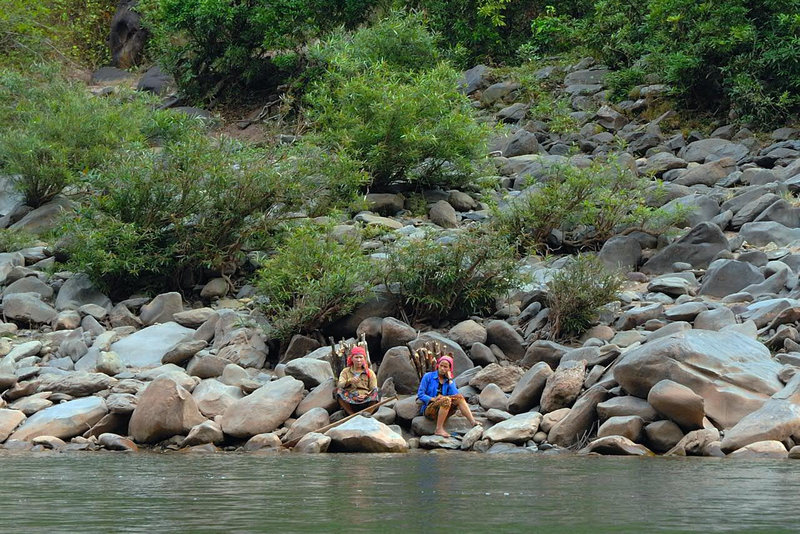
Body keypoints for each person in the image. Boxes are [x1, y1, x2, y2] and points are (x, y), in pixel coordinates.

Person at [417, 355, 481, 437]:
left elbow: (456, 395)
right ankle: (438, 429)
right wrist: (433, 399)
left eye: (445, 367)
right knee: (446, 400)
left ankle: (472, 422)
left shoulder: (449, 381)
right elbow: (420, 394)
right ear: (438, 365)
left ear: (449, 369)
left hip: (445, 408)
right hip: (430, 409)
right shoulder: (428, 376)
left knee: (459, 397)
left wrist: (450, 380)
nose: (442, 368)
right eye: (441, 366)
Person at [336, 346, 379, 415]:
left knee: (377, 392)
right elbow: (339, 385)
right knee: (338, 391)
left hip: (365, 399)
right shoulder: (345, 371)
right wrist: (349, 381)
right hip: (352, 399)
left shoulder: (370, 372)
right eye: (356, 357)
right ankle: (351, 414)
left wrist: (366, 395)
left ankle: (368, 413)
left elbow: (373, 388)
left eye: (361, 357)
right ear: (352, 359)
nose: (359, 360)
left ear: (364, 359)